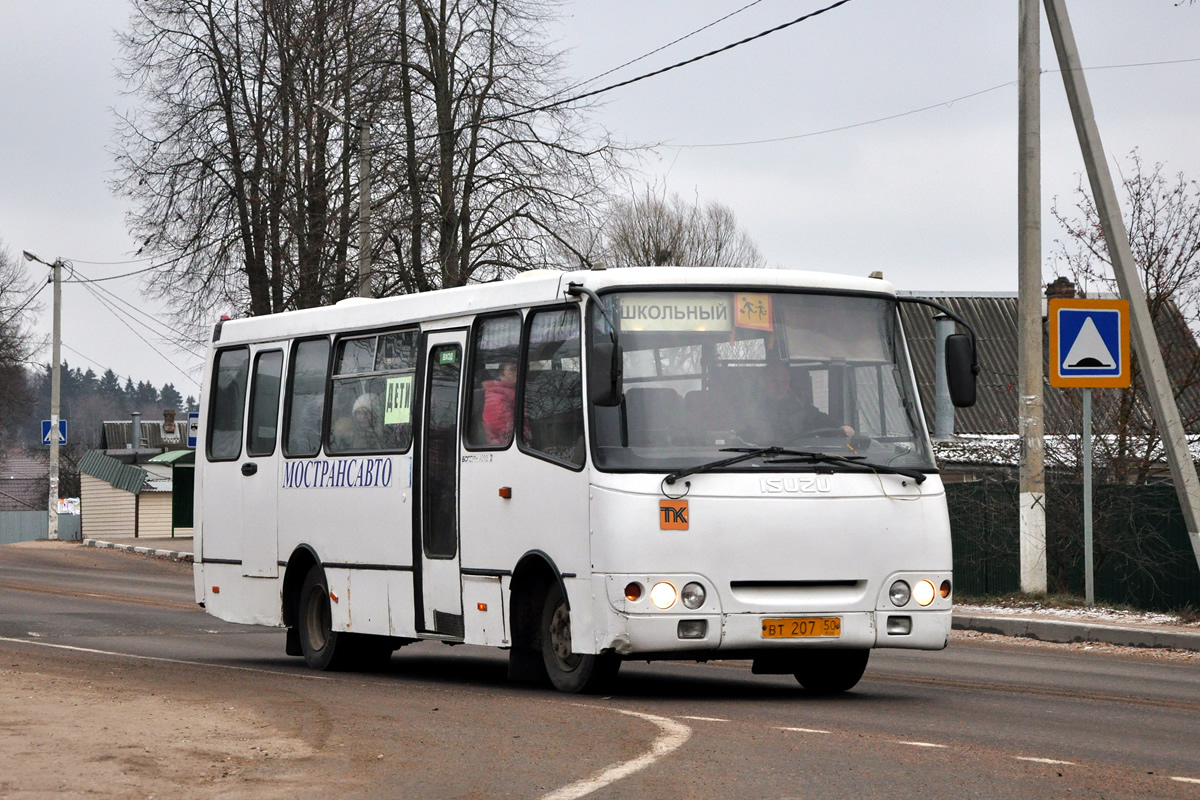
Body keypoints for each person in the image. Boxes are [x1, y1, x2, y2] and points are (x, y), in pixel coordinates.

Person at [744, 360, 854, 444]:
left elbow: (819, 419)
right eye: (774, 381)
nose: (780, 386)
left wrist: (840, 427)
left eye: (784, 382)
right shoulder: (750, 407)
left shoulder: (799, 404)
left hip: (801, 457)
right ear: (763, 381)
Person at [482, 361, 519, 445]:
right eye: (512, 370)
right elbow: (501, 428)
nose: (516, 373)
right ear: (501, 375)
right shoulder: (496, 396)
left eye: (517, 369)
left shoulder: (515, 392)